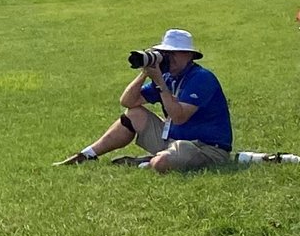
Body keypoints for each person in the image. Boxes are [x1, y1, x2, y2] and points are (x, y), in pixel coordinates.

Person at [55, 29, 232, 173]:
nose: (168, 58)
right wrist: (146, 72)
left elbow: (179, 117)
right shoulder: (168, 76)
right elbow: (127, 101)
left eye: (172, 53)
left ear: (188, 55)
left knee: (163, 162)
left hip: (206, 148)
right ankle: (87, 155)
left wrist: (161, 83)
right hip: (174, 140)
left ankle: (145, 162)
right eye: (165, 53)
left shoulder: (201, 78)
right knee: (135, 114)